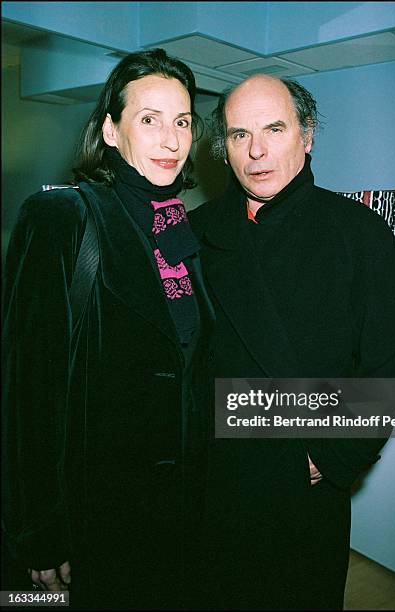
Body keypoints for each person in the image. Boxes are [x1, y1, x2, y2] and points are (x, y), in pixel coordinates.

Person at [189, 74, 395, 610]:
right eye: (239, 134)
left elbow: (387, 365)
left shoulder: (359, 232)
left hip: (303, 488)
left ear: (307, 136)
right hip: (211, 485)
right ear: (223, 148)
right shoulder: (192, 232)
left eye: (274, 128)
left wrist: (325, 457)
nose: (256, 150)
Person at [2, 48, 214, 610]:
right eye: (150, 120)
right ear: (111, 131)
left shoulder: (180, 228)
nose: (171, 139)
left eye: (183, 121)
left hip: (181, 517)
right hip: (98, 520)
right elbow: (28, 391)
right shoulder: (63, 219)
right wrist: (39, 533)